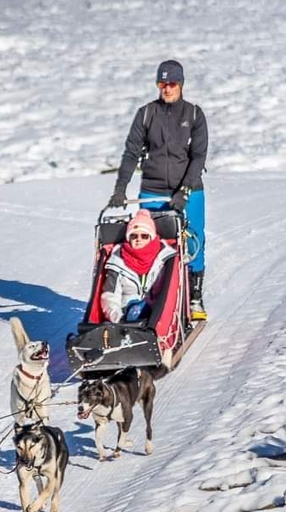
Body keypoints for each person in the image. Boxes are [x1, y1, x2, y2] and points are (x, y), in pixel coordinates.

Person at [107, 59, 209, 320]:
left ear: (181, 84)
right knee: (148, 245)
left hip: (189, 190)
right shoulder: (146, 114)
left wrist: (184, 191)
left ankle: (194, 298)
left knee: (193, 241)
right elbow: (131, 153)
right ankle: (148, 299)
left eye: (172, 83)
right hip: (153, 191)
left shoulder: (194, 115)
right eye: (162, 83)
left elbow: (198, 156)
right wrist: (120, 190)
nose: (166, 89)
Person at [101, 209, 176, 324]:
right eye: (134, 236)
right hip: (126, 316)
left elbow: (171, 292)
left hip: (158, 315)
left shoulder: (166, 258)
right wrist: (117, 319)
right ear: (128, 238)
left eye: (144, 236)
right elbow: (110, 296)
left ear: (151, 237)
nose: (138, 239)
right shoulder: (117, 261)